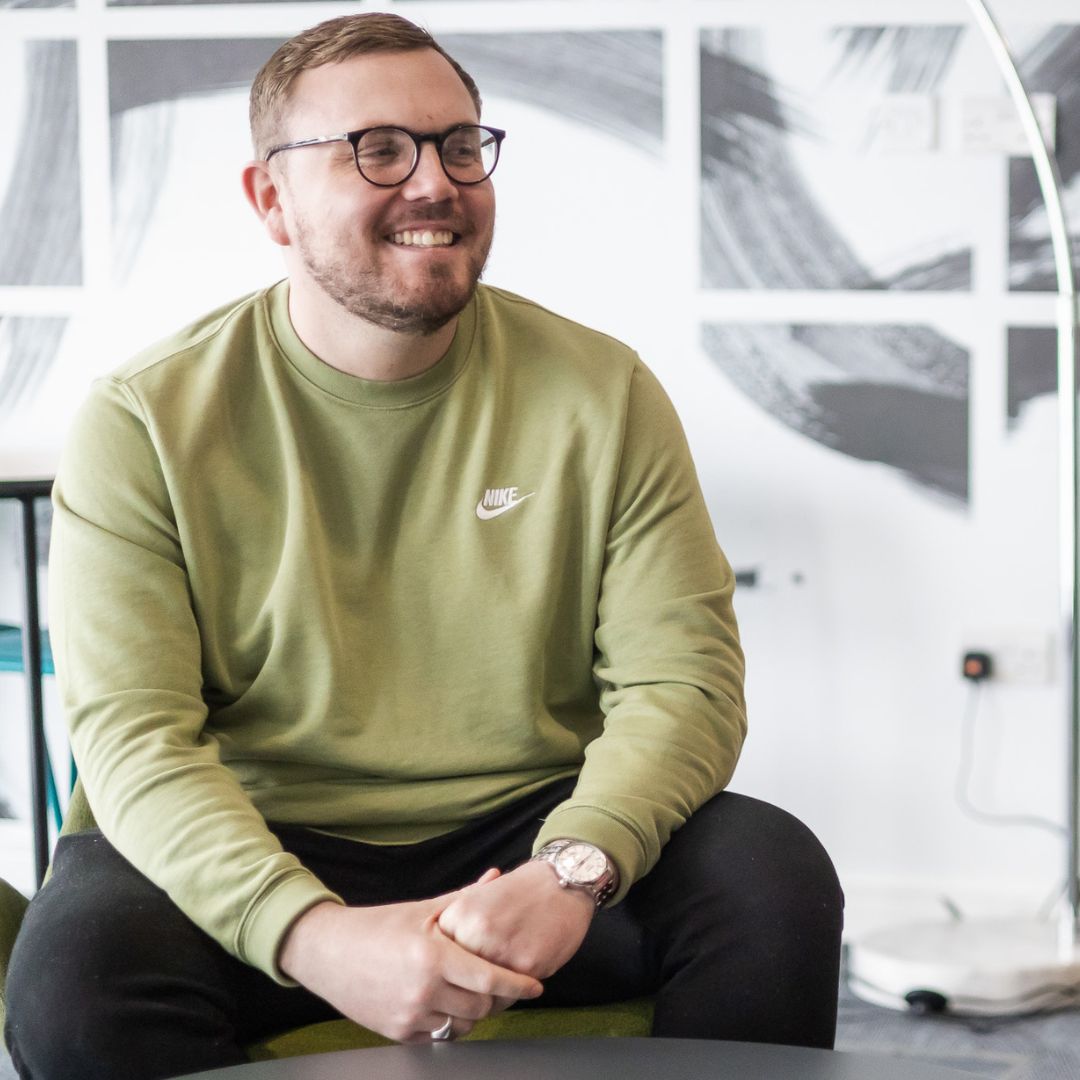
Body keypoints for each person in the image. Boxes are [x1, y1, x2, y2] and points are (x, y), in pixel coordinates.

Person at [4, 13, 843, 1080]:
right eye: (378, 150)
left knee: (770, 879)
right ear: (271, 199)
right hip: (259, 827)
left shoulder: (602, 392)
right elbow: (135, 740)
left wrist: (573, 870)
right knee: (78, 982)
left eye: (459, 144)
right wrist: (313, 937)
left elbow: (687, 683)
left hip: (530, 833)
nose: (435, 182)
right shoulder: (144, 420)